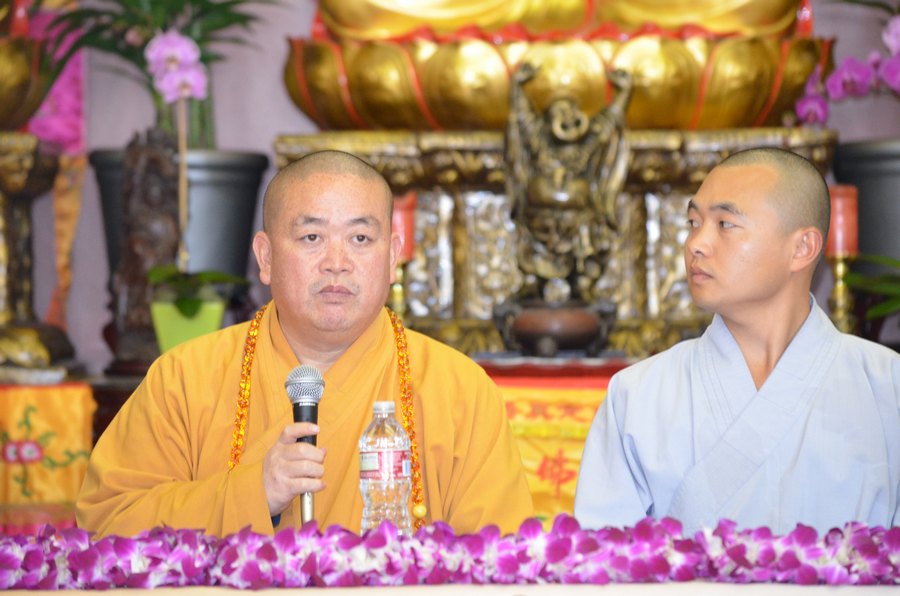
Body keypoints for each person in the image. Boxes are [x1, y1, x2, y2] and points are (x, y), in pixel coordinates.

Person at [77, 150, 534, 538]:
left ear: (393, 258)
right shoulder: (184, 379)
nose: (337, 263)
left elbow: (500, 559)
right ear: (267, 257)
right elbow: (105, 523)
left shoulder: (459, 390)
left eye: (360, 238)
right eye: (312, 237)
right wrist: (251, 494)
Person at [574, 147, 900, 535]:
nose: (696, 243)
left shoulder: (887, 387)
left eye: (725, 224)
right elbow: (604, 565)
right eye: (693, 222)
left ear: (802, 248)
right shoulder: (637, 394)